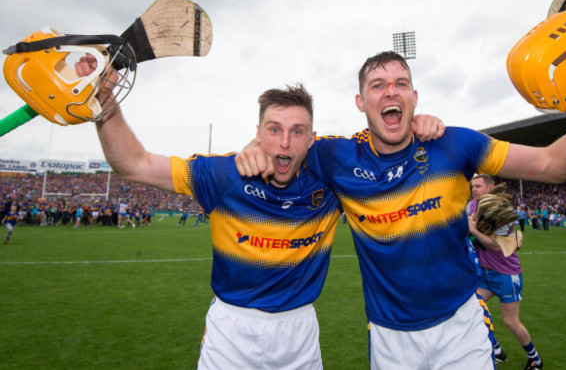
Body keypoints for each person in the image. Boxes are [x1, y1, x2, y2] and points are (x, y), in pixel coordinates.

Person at [237, 50, 566, 369]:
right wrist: (256, 146)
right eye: (377, 85)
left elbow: (554, 164)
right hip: (389, 338)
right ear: (361, 102)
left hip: (461, 328)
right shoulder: (335, 155)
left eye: (400, 83)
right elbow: (283, 144)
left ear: (414, 98)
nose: (390, 91)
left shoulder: (455, 144)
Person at [78, 52, 445, 369]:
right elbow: (134, 164)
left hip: (299, 330)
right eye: (274, 130)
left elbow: (385, 148)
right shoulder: (223, 174)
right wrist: (105, 100)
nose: (284, 142)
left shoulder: (330, 181)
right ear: (258, 131)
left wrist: (418, 125)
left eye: (297, 131)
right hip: (231, 331)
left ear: (312, 138)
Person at [468, 174, 543, 368]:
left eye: (478, 186)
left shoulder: (502, 210)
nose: (474, 189)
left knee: (510, 321)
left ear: (490, 187)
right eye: (472, 186)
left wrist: (474, 232)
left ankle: (535, 359)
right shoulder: (471, 207)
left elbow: (495, 246)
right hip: (485, 273)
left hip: (506, 274)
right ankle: (497, 350)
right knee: (472, 311)